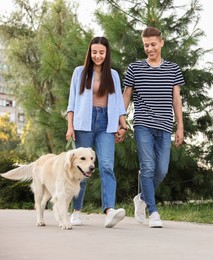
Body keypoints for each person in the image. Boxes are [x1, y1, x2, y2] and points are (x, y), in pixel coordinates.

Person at [121, 26, 185, 228]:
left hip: (165, 126)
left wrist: (180, 127)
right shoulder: (135, 68)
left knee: (162, 169)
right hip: (143, 125)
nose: (150, 48)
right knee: (147, 167)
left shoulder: (173, 69)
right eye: (146, 45)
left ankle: (141, 197)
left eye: (153, 45)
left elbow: (176, 100)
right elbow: (126, 96)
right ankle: (154, 212)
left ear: (161, 43)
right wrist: (121, 120)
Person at [66, 36, 128, 228]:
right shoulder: (80, 72)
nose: (98, 55)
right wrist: (70, 126)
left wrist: (123, 125)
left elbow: (118, 103)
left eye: (101, 52)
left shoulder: (114, 75)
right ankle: (76, 212)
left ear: (107, 53)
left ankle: (109, 211)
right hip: (83, 123)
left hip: (106, 124)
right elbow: (72, 102)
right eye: (94, 52)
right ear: (90, 52)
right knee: (82, 169)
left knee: (107, 166)